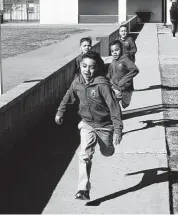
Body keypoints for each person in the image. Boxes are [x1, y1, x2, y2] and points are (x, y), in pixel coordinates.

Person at [55, 51, 123, 200]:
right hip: (87, 123)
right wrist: (60, 112)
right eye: (84, 66)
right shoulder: (77, 82)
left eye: (91, 67)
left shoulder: (102, 84)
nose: (87, 70)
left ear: (97, 68)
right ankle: (83, 189)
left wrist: (118, 129)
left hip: (105, 125)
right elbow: (68, 97)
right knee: (84, 154)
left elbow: (114, 107)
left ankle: (108, 146)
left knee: (106, 152)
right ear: (79, 66)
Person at [107, 40, 139, 109]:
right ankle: (117, 115)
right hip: (116, 87)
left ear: (121, 49)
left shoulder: (125, 60)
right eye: (112, 51)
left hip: (126, 88)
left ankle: (124, 103)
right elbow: (109, 72)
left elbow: (135, 70)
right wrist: (107, 81)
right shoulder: (113, 61)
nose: (114, 53)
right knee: (114, 103)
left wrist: (123, 81)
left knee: (125, 105)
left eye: (116, 50)